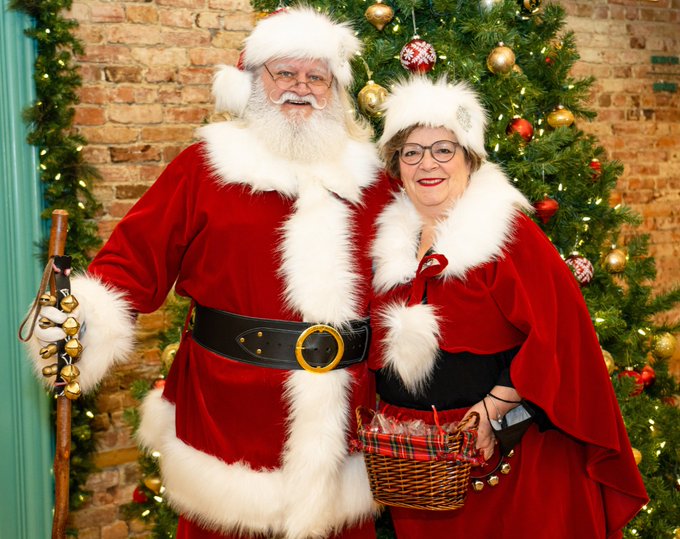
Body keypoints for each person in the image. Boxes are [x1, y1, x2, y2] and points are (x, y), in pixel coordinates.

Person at [26, 7, 391, 539]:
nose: (301, 88)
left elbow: (407, 280)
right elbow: (132, 260)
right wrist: (77, 321)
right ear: (252, 82)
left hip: (343, 423)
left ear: (336, 90)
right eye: (284, 73)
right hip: (226, 414)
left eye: (317, 77)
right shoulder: (206, 166)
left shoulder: (371, 180)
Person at [367, 77, 648, 538]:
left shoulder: (508, 234)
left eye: (443, 149)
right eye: (411, 152)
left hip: (510, 465)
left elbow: (559, 334)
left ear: (469, 158)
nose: (426, 164)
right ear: (396, 165)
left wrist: (492, 408)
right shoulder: (383, 244)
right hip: (419, 474)